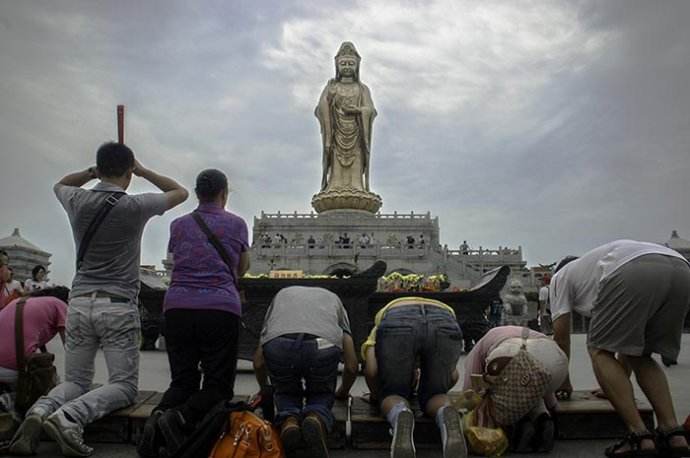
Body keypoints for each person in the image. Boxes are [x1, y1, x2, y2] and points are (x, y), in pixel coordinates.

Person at [10, 142, 188, 457]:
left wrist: (91, 171)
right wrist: (143, 170)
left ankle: (40, 411)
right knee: (123, 386)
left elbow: (60, 183)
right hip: (117, 305)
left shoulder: (76, 199)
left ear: (99, 168)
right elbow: (180, 192)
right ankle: (70, 417)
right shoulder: (135, 206)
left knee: (76, 381)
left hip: (78, 303)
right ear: (128, 172)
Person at [137, 169, 249, 457]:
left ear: (198, 193)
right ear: (224, 193)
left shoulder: (178, 225)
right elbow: (242, 267)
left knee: (183, 381)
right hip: (220, 310)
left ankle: (160, 418)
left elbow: (177, 259)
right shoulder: (236, 224)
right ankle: (180, 421)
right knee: (218, 385)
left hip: (177, 308)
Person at [551, 240, 690, 457]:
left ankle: (639, 436)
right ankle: (672, 432)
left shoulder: (560, 277)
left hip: (632, 269)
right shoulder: (590, 268)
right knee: (641, 354)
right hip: (680, 268)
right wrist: (616, 382)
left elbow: (561, 336)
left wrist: (563, 380)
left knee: (599, 349)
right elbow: (628, 346)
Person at [253, 286, 358, 457]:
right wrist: (343, 391)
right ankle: (316, 417)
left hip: (279, 345)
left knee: (286, 392)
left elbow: (258, 362)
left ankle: (289, 422)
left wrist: (265, 388)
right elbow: (352, 365)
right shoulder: (334, 301)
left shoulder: (280, 298)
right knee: (321, 394)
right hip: (322, 344)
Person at [361, 296, 466, 458]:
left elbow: (371, 371)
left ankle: (400, 413)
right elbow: (453, 375)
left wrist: (379, 396)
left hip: (398, 319)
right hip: (445, 319)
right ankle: (446, 412)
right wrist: (438, 387)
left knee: (394, 394)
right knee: (436, 394)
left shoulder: (380, 323)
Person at [463, 326, 568, 452]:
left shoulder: (480, 346)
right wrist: (553, 406)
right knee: (528, 384)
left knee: (500, 388)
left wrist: (468, 408)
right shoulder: (517, 331)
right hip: (555, 358)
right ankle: (543, 418)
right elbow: (540, 380)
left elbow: (470, 387)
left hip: (510, 353)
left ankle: (522, 424)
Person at [315, 41, 376, 192]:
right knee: (336, 161)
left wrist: (359, 110)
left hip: (356, 134)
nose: (347, 67)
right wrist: (328, 98)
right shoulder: (332, 87)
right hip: (336, 135)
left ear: (357, 66)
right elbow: (320, 108)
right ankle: (334, 186)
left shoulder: (362, 89)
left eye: (351, 64)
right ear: (337, 66)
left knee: (356, 159)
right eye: (343, 64)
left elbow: (370, 110)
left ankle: (357, 187)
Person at [0, 287, 69, 389]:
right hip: (11, 369)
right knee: (54, 381)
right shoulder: (60, 305)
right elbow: (70, 346)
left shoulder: (20, 301)